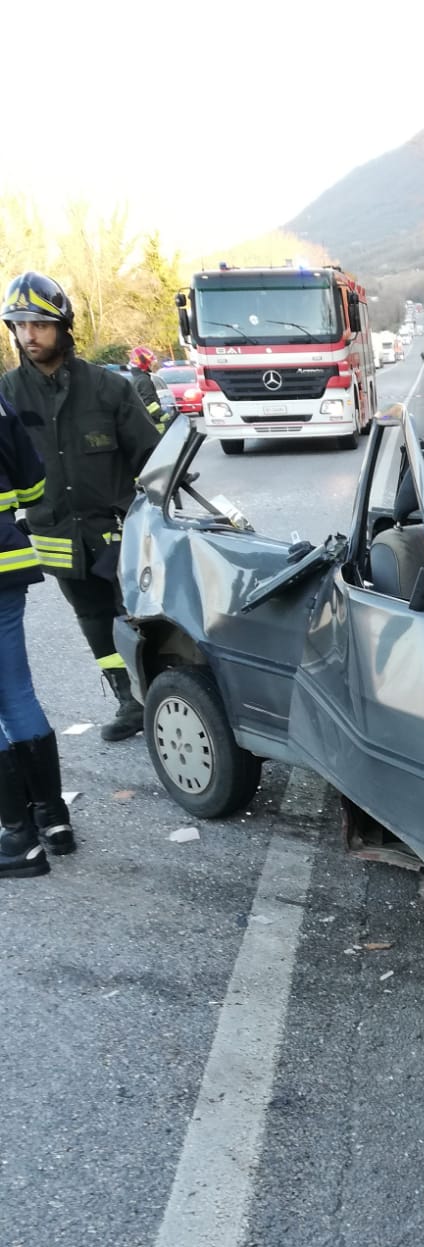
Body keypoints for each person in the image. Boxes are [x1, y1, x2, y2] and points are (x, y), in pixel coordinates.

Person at [0, 272, 161, 741]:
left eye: (40, 324)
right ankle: (128, 701)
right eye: (20, 325)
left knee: (140, 617)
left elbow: (152, 460)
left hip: (117, 530)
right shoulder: (8, 395)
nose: (29, 335)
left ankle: (160, 697)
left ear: (63, 327)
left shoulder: (108, 388)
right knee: (92, 620)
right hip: (56, 536)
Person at [0, 394, 75, 878]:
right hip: (6, 559)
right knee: (17, 694)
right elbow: (33, 484)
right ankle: (53, 820)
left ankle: (17, 838)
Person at [127, 347, 167, 434]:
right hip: (154, 425)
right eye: (149, 362)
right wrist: (162, 414)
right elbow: (149, 403)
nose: (151, 365)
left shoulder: (136, 379)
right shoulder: (144, 380)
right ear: (143, 363)